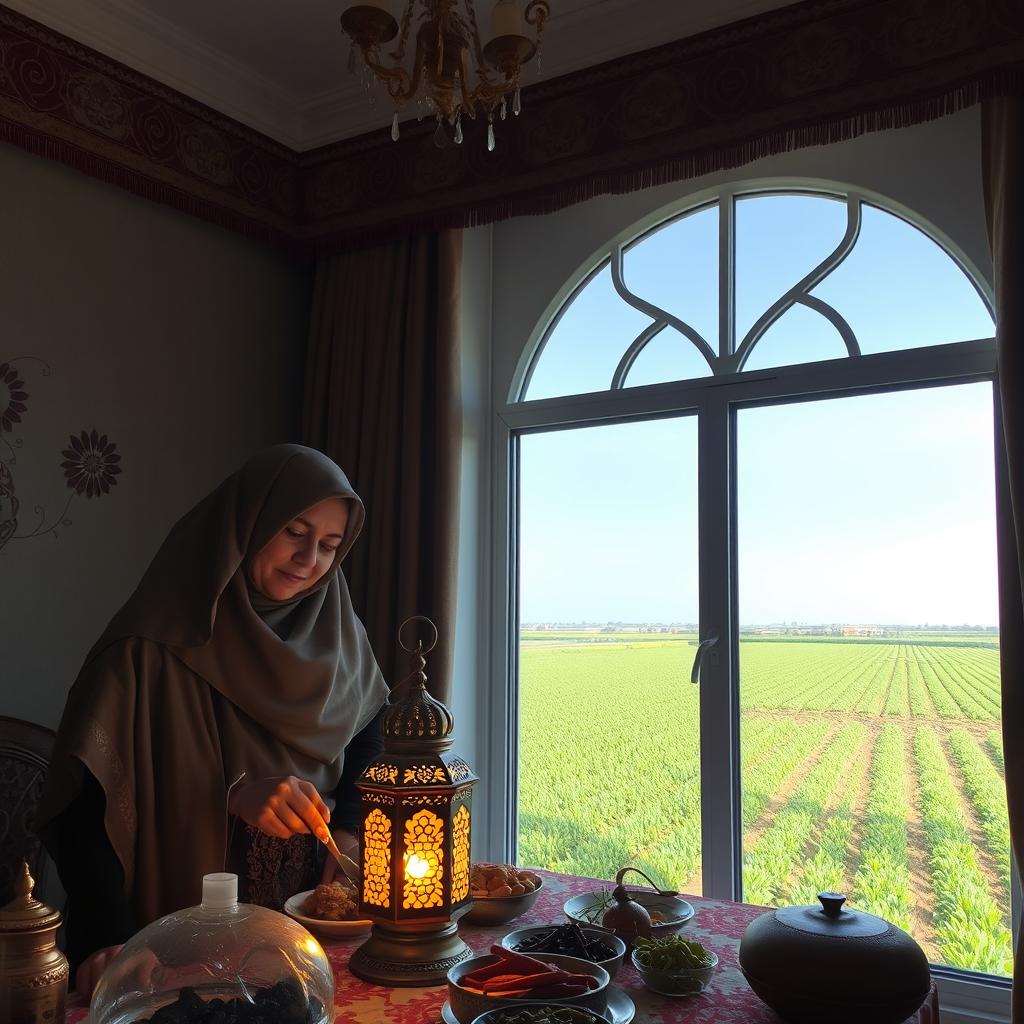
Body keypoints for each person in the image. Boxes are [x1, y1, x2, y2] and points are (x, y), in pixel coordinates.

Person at [35, 444, 390, 998]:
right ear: (245, 523)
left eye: (329, 545)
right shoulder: (146, 648)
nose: (309, 559)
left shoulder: (340, 632)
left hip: (306, 943)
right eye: (293, 532)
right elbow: (86, 807)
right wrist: (108, 938)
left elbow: (369, 732)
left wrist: (346, 829)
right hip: (168, 948)